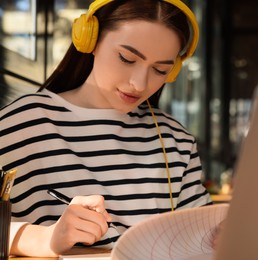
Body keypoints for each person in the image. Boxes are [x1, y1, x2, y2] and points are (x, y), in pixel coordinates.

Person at [0, 0, 212, 257]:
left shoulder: (176, 140)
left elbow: (201, 238)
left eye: (160, 70)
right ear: (89, 40)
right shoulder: (22, 123)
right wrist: (41, 238)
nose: (139, 83)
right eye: (127, 58)